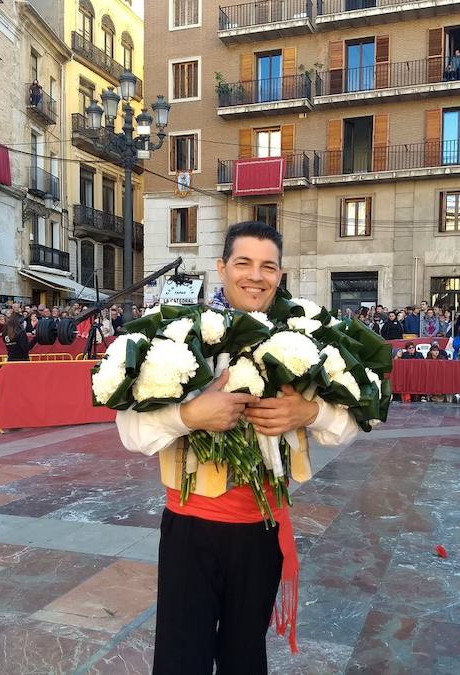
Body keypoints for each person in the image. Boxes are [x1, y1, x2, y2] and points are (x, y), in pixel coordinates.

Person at [116, 222, 359, 674]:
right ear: (222, 268)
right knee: (180, 657)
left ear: (280, 274)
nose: (256, 275)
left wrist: (309, 415)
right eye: (243, 263)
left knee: (245, 657)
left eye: (268, 266)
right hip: (192, 529)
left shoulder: (304, 344)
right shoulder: (180, 339)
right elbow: (130, 431)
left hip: (261, 529)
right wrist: (188, 416)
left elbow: (349, 423)